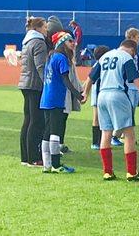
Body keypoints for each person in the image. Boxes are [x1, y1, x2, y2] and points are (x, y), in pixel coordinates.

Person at [83, 39, 139, 181]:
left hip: (102, 96)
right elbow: (136, 79)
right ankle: (131, 172)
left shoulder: (105, 56)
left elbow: (90, 78)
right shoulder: (126, 57)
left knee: (106, 133)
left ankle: (108, 171)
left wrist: (85, 94)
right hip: (117, 95)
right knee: (129, 134)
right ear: (132, 50)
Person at [40, 32, 83, 174]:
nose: (73, 43)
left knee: (47, 131)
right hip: (56, 98)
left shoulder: (51, 56)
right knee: (55, 131)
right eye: (70, 41)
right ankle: (56, 165)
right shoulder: (62, 58)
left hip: (46, 98)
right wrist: (77, 95)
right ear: (63, 42)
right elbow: (66, 79)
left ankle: (47, 165)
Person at [18, 17, 48, 167]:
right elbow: (41, 66)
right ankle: (34, 158)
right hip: (35, 85)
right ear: (38, 28)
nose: (46, 30)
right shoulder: (39, 42)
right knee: (36, 122)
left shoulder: (27, 41)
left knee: (28, 120)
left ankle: (25, 157)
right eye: (45, 27)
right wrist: (48, 84)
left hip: (25, 84)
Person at [87, 45, 110, 150]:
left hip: (102, 92)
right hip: (97, 92)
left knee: (102, 117)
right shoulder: (99, 64)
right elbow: (90, 78)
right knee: (96, 117)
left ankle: (101, 140)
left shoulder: (102, 63)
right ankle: (95, 141)